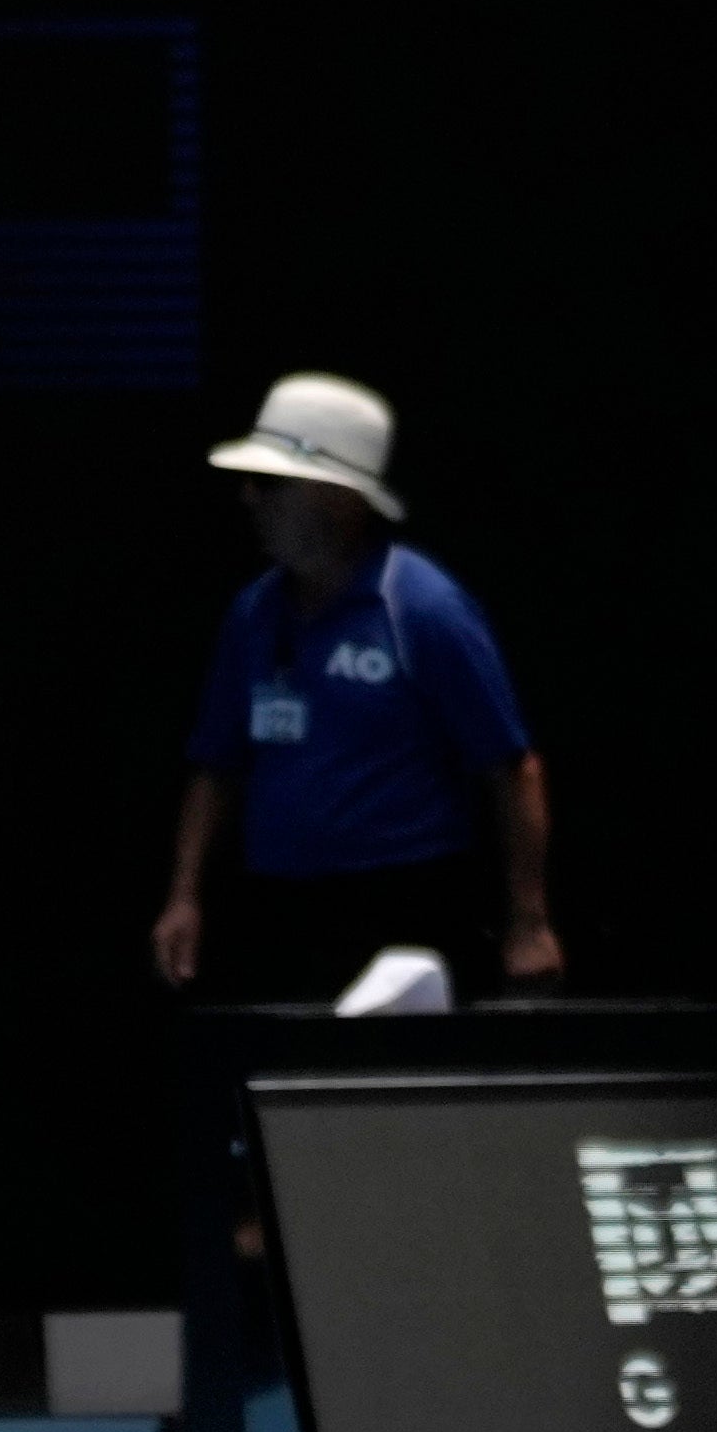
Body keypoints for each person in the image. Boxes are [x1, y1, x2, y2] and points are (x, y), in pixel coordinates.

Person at [148, 372, 553, 1007]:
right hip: (278, 907)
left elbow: (511, 768)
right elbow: (216, 765)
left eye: (271, 484)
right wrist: (184, 895)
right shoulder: (252, 614)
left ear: (340, 498)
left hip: (404, 908)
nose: (248, 498)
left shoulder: (423, 608)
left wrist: (528, 924)